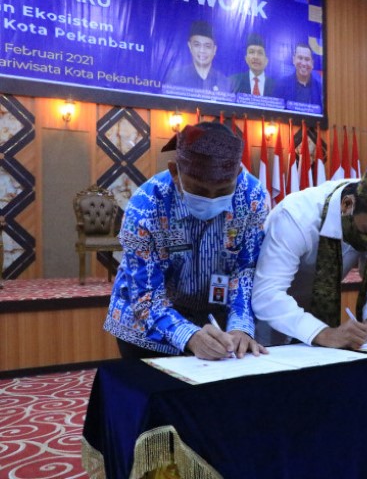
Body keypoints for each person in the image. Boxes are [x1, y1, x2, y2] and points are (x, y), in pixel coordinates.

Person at [104, 122, 268, 360]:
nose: (211, 200)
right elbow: (145, 295)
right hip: (148, 331)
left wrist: (240, 326)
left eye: (223, 191)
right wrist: (188, 335)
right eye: (199, 190)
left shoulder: (252, 196)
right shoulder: (146, 205)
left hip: (216, 323)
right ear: (175, 172)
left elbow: (245, 269)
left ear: (238, 174)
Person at [252, 171, 367, 349]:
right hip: (271, 315)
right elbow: (267, 294)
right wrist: (323, 333)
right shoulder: (296, 216)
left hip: (317, 315)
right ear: (347, 205)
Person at [164, 21, 229, 92]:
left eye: (207, 46)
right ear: (190, 46)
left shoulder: (223, 82)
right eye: (197, 45)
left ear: (214, 50)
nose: (202, 50)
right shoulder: (175, 76)